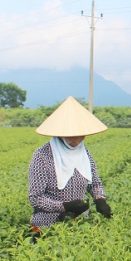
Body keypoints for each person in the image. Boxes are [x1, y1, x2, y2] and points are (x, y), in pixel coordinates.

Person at [28, 96, 112, 236]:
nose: (77, 141)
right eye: (71, 136)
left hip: (79, 223)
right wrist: (64, 206)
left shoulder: (84, 153)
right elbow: (35, 198)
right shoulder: (42, 156)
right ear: (60, 133)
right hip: (48, 225)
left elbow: (95, 183)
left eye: (81, 136)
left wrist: (100, 200)